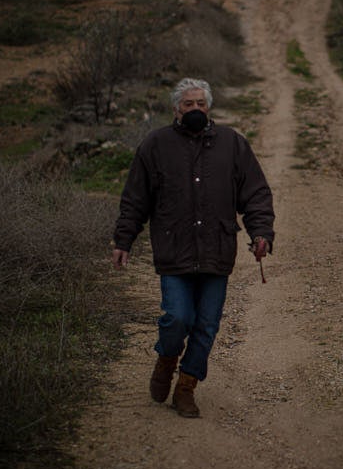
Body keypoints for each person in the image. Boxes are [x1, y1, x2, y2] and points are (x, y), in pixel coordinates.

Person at [111, 77, 274, 418]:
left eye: (201, 103)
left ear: (209, 107)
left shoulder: (232, 144)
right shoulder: (156, 146)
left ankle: (186, 387)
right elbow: (135, 200)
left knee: (206, 325)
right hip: (174, 251)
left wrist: (262, 234)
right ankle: (167, 359)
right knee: (177, 318)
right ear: (176, 109)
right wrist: (124, 240)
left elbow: (255, 194)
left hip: (217, 250)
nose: (196, 109)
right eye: (189, 104)